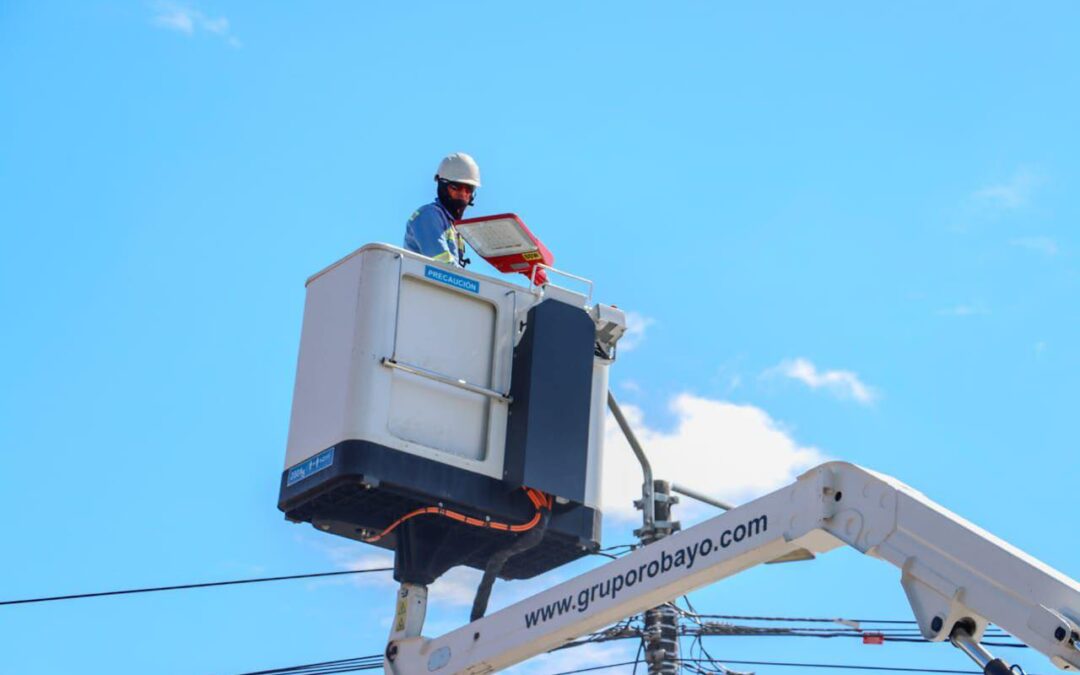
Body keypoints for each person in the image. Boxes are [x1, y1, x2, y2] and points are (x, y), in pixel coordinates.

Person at [403, 152, 481, 267]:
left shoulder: (453, 228)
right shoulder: (428, 215)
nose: (463, 194)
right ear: (442, 186)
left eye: (469, 189)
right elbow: (442, 265)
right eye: (456, 187)